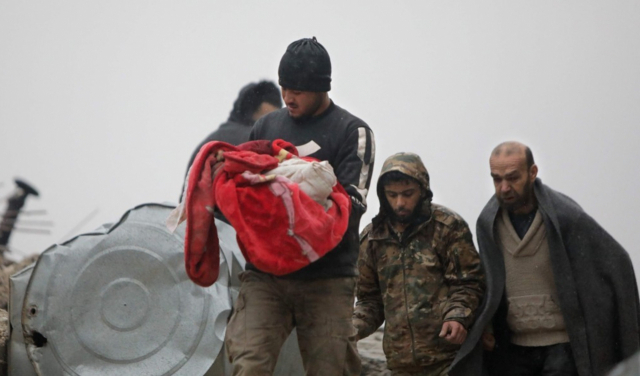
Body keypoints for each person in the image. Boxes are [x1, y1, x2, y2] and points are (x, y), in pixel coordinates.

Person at [223, 37, 375, 376]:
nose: (289, 97)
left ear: (322, 88)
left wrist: (293, 201)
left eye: (299, 90)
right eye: (284, 87)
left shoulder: (353, 132)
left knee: (332, 369)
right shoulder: (266, 126)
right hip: (266, 277)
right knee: (248, 364)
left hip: (327, 278)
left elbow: (350, 207)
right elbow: (247, 187)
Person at [465, 141, 640, 376]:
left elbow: (615, 263)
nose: (504, 187)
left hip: (562, 347)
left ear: (532, 173)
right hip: (513, 349)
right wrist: (486, 325)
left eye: (513, 177)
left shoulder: (565, 218)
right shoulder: (488, 224)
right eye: (497, 179)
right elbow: (488, 282)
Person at [353, 152, 485, 376]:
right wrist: (351, 328)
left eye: (408, 194)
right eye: (392, 195)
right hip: (401, 365)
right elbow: (370, 300)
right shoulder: (372, 238)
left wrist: (457, 316)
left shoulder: (447, 227)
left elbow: (469, 283)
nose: (400, 203)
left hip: (451, 360)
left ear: (423, 190)